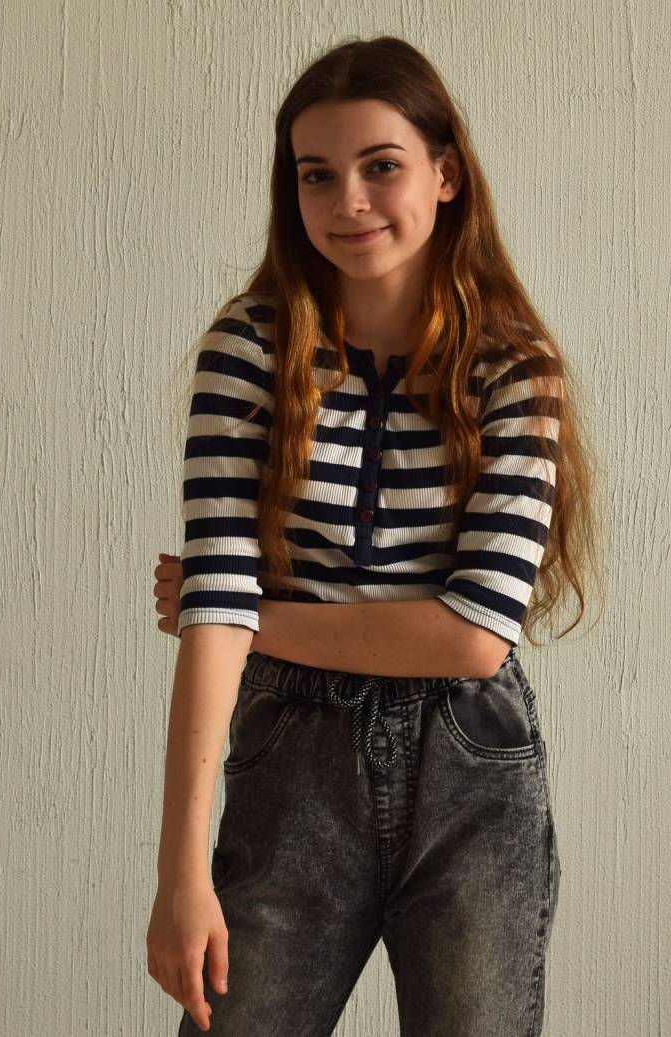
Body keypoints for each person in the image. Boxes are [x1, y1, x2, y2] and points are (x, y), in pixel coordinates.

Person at [147, 34, 600, 1037]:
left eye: (380, 166)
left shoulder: (513, 367)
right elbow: (212, 620)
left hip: (469, 764)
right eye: (316, 174)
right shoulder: (249, 350)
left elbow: (472, 636)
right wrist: (180, 874)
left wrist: (248, 614)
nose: (347, 201)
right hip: (289, 755)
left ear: (445, 175)